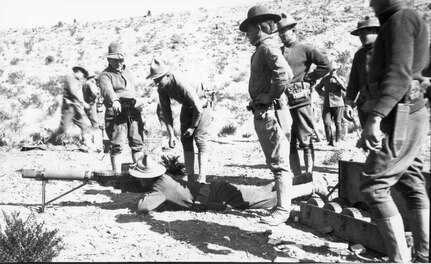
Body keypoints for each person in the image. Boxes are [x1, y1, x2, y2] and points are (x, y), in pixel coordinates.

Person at [358, 0, 430, 262]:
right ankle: (424, 255)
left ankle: (399, 260)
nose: (370, 2)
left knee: (374, 186)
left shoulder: (400, 20)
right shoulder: (404, 20)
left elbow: (399, 74)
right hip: (409, 112)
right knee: (412, 183)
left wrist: (376, 116)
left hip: (401, 115)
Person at [118, 155, 329, 214]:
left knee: (267, 200)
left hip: (219, 195)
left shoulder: (159, 188)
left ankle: (313, 186)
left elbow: (143, 207)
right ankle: (305, 179)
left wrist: (136, 198)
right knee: (263, 191)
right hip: (215, 191)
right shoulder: (163, 180)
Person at [239, 5, 294, 225]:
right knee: (278, 163)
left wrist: (270, 96)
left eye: (249, 30)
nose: (247, 35)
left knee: (280, 163)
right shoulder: (263, 48)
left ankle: (282, 210)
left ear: (259, 27)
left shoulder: (267, 47)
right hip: (268, 111)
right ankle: (285, 204)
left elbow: (285, 74)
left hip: (270, 112)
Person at [275, 13, 332, 176]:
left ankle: (309, 175)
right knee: (289, 140)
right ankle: (297, 176)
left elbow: (326, 65)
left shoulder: (306, 49)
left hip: (300, 99)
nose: (282, 35)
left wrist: (309, 78)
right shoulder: (279, 52)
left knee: (305, 138)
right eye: (279, 32)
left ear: (293, 31)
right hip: (283, 102)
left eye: (284, 31)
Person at [147, 59, 212, 183]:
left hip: (201, 105)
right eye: (154, 80)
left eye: (158, 79)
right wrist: (171, 134)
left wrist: (193, 127)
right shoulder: (161, 87)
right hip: (187, 106)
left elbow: (198, 108)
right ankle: (190, 178)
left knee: (200, 139)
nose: (156, 83)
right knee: (185, 139)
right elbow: (165, 111)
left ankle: (202, 177)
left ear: (167, 75)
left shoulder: (180, 82)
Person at [99, 42, 145, 173]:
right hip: (116, 112)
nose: (119, 63)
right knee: (117, 144)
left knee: (137, 143)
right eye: (115, 60)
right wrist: (114, 100)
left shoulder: (126, 70)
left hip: (132, 110)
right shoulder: (105, 75)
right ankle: (116, 175)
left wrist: (138, 102)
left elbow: (131, 89)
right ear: (109, 60)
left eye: (121, 60)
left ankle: (140, 173)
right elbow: (107, 90)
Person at [47, 66, 95, 151]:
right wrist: (83, 103)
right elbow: (73, 92)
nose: (82, 77)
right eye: (82, 75)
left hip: (74, 106)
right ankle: (50, 142)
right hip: (68, 107)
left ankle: (90, 146)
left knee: (83, 126)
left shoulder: (76, 80)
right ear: (78, 71)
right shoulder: (70, 77)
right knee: (63, 128)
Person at [344, 16, 380, 127]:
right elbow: (353, 81)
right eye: (360, 33)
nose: (362, 36)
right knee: (368, 139)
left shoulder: (387, 50)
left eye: (366, 32)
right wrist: (349, 102)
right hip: (365, 103)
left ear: (375, 31)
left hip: (382, 104)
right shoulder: (359, 55)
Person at [315, 69, 346, 146]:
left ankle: (338, 141)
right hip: (327, 104)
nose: (333, 71)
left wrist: (337, 79)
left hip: (338, 103)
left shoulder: (340, 78)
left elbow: (345, 88)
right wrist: (324, 94)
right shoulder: (325, 79)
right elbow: (317, 87)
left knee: (338, 123)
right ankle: (329, 141)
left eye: (334, 70)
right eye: (331, 70)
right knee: (326, 122)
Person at [82, 74, 104, 152]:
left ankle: (92, 145)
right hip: (91, 105)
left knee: (92, 125)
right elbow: (95, 93)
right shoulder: (90, 83)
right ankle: (97, 147)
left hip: (88, 105)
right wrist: (96, 97)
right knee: (96, 126)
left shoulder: (85, 83)